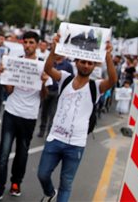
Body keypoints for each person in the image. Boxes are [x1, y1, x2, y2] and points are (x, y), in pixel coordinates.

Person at [37, 34, 116, 202]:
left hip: (76, 144)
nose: (86, 65)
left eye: (90, 63)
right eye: (83, 61)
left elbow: (113, 80)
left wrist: (108, 56)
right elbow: (48, 69)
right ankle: (50, 194)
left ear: (94, 65)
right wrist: (54, 48)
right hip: (55, 138)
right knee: (43, 174)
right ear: (76, 62)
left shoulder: (96, 86)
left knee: (66, 184)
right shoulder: (65, 78)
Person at [0, 31, 50, 201]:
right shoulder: (16, 62)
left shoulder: (42, 65)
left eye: (31, 42)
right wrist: (8, 77)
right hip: (12, 112)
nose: (28, 45)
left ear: (37, 44)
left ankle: (16, 182)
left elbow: (44, 96)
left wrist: (43, 81)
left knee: (22, 153)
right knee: (4, 152)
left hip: (29, 116)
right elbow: (9, 91)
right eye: (26, 42)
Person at [37, 53, 73, 138]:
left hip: (57, 92)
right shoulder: (49, 63)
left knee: (53, 113)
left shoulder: (68, 66)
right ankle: (42, 129)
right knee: (44, 112)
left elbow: (70, 80)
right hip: (47, 89)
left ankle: (49, 131)